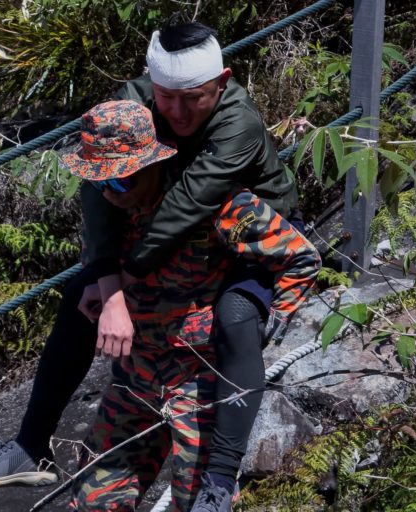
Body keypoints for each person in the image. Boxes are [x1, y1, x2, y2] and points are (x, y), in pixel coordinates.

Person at [0, 16, 300, 510]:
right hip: (161, 226)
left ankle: (220, 479)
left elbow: (188, 206)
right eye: (165, 96)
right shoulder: (133, 103)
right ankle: (30, 447)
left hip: (246, 237)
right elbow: (100, 188)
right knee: (80, 298)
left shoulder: (236, 122)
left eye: (192, 98)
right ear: (149, 81)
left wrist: (120, 284)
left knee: (234, 316)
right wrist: (105, 284)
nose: (176, 111)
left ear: (221, 82)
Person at [58, 100, 318, 511]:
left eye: (120, 181)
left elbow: (299, 257)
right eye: (98, 181)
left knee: (194, 502)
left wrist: (271, 325)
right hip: (134, 376)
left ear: (151, 164)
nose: (109, 191)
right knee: (91, 498)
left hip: (196, 381)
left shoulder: (213, 205)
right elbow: (100, 260)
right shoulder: (109, 211)